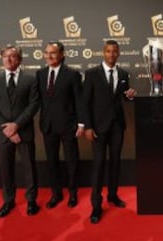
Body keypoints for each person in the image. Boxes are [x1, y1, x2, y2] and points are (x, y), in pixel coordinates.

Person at [83, 40, 136, 224]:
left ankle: (112, 195)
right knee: (98, 165)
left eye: (114, 51)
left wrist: (129, 96)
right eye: (108, 51)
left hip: (117, 127)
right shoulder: (91, 74)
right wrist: (88, 126)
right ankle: (96, 206)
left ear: (118, 53)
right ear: (103, 53)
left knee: (115, 162)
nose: (111, 54)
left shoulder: (123, 74)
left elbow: (123, 98)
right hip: (97, 128)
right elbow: (85, 103)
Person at [0, 45, 40, 217]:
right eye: (5, 56)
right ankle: (8, 201)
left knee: (29, 167)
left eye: (13, 56)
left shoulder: (30, 80)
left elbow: (33, 105)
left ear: (20, 59)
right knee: (6, 169)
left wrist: (16, 125)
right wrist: (8, 129)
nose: (9, 59)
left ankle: (31, 201)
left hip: (24, 131)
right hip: (3, 134)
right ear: (1, 58)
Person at [36, 41, 84, 209]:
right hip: (48, 126)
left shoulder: (72, 74)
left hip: (68, 125)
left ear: (62, 54)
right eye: (46, 52)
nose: (49, 56)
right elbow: (38, 101)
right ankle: (56, 194)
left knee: (72, 161)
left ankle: (72, 193)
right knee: (52, 162)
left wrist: (81, 124)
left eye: (53, 53)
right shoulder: (40, 74)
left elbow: (80, 101)